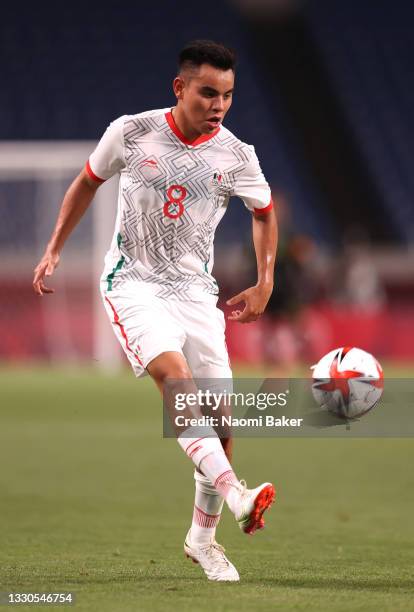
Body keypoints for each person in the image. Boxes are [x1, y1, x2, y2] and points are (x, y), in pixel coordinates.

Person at [33, 40, 278, 582]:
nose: (219, 104)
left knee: (220, 421)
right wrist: (54, 247)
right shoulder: (132, 131)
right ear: (180, 87)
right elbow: (86, 183)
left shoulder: (238, 155)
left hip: (196, 293)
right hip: (134, 284)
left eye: (228, 95)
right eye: (208, 92)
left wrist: (265, 282)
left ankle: (202, 540)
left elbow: (264, 212)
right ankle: (237, 492)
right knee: (177, 383)